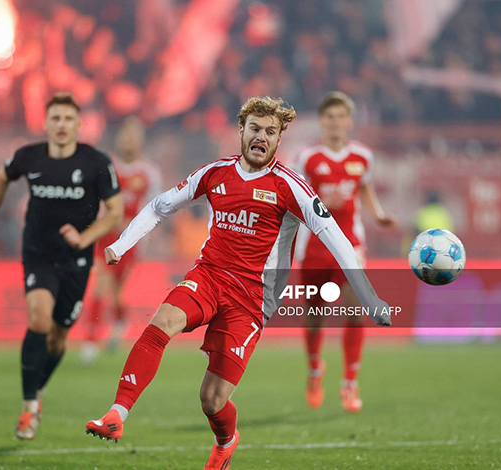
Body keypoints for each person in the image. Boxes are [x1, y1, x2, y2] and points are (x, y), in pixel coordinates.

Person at [84, 96, 391, 470]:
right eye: (255, 129)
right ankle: (117, 413)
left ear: (279, 140)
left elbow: (336, 238)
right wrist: (120, 244)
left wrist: (369, 296)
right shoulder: (215, 174)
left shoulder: (290, 186)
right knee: (162, 322)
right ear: (241, 131)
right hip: (208, 275)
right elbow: (160, 205)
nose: (261, 136)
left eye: (270, 131)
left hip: (251, 299)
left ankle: (226, 441)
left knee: (212, 399)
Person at [0, 93, 124, 440]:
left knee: (57, 339)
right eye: (55, 118)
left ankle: (36, 392)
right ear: (46, 123)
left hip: (77, 259)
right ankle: (28, 407)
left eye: (68, 119)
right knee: (38, 318)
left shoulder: (96, 161)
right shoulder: (29, 156)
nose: (62, 125)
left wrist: (85, 239)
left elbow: (115, 211)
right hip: (38, 251)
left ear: (79, 124)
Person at [294, 91, 396, 413]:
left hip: (350, 243)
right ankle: (314, 369)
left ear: (349, 121)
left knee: (354, 308)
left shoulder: (362, 156)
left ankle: (350, 384)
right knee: (315, 317)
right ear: (322, 121)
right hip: (314, 246)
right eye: (329, 117)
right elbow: (295, 198)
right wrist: (320, 206)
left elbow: (363, 186)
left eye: (341, 116)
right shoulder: (307, 158)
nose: (335, 122)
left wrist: (377, 214)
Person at [80, 117, 162, 363]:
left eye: (134, 136)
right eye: (126, 135)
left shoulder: (149, 174)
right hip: (105, 236)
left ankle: (120, 322)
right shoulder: (106, 167)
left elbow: (155, 210)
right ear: (119, 138)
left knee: (115, 294)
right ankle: (91, 343)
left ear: (141, 141)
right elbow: (92, 200)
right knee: (100, 286)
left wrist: (136, 227)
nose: (129, 141)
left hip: (131, 242)